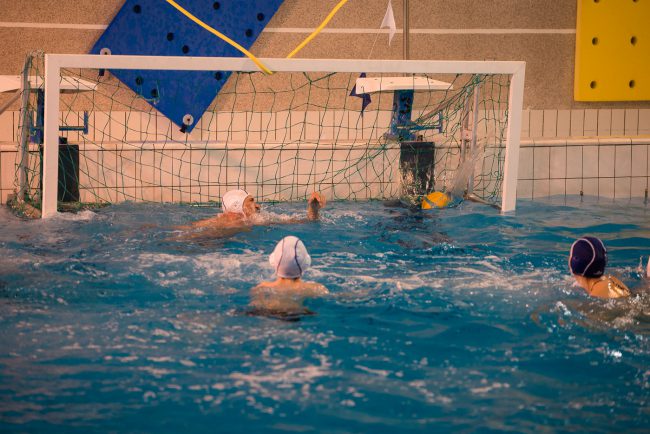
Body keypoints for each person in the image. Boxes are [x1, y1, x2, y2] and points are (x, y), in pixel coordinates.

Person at [175, 189, 326, 237]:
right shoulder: (220, 222)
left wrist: (313, 208)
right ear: (237, 207)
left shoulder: (256, 220)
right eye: (251, 201)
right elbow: (185, 232)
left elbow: (307, 221)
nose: (258, 206)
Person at [248, 236, 328, 320]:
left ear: (273, 262)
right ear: (306, 264)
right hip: (298, 313)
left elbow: (255, 306)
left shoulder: (261, 287)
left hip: (269, 313)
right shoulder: (315, 288)